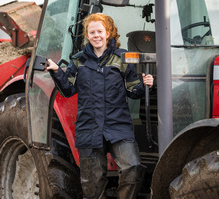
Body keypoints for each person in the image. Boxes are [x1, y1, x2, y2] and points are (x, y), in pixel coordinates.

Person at [47, 13, 154, 199]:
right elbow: (68, 90)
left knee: (133, 167)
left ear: (108, 33)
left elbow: (132, 91)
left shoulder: (122, 58)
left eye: (100, 31)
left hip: (118, 125)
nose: (96, 35)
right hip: (89, 127)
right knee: (92, 185)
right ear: (87, 35)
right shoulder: (78, 60)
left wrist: (145, 85)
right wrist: (57, 72)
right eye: (92, 32)